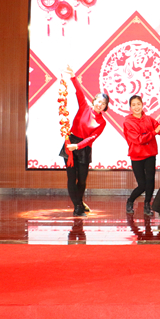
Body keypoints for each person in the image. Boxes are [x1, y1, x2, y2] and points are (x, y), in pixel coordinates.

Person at [59, 67, 108, 217]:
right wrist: (73, 77)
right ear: (94, 101)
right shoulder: (84, 107)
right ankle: (78, 207)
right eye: (98, 101)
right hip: (70, 143)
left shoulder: (102, 122)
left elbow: (91, 138)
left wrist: (78, 146)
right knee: (71, 178)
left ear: (105, 107)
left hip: (83, 148)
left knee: (82, 180)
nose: (100, 104)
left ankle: (79, 203)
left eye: (103, 103)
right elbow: (79, 92)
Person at [123, 95, 160, 215]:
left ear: (142, 105)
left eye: (138, 104)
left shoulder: (149, 119)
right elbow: (138, 140)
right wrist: (154, 132)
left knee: (150, 181)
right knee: (142, 185)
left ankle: (147, 204)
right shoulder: (128, 121)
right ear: (130, 107)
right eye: (133, 105)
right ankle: (130, 200)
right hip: (136, 156)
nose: (136, 107)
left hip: (150, 154)